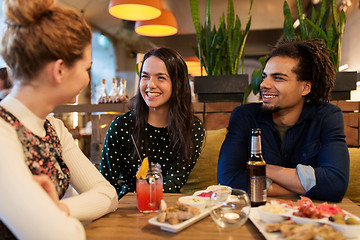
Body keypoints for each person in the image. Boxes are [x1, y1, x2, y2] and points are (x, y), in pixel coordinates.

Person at [0, 0, 118, 239]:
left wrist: (60, 209)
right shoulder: (3, 132)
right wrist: (59, 219)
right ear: (60, 70)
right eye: (87, 68)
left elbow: (107, 193)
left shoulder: (54, 128)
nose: (87, 79)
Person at [217, 39, 349, 202]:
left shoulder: (327, 116)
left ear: (305, 87)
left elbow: (335, 185)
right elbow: (228, 181)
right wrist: (301, 188)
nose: (264, 84)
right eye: (265, 77)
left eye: (278, 78)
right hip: (255, 214)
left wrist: (262, 168)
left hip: (307, 219)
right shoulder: (244, 116)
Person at [100, 47, 205, 199]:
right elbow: (105, 184)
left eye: (160, 78)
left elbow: (173, 184)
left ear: (178, 84)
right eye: (145, 76)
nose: (150, 85)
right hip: (125, 208)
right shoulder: (121, 126)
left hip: (166, 208)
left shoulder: (192, 128)